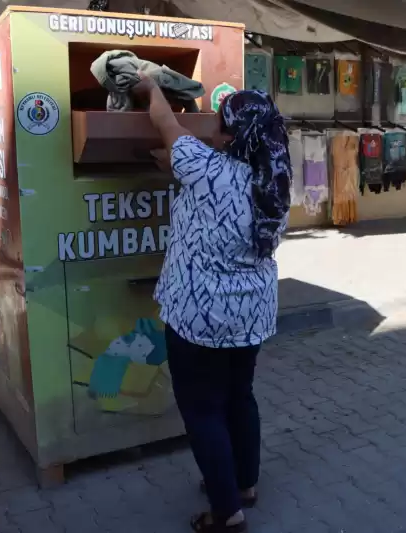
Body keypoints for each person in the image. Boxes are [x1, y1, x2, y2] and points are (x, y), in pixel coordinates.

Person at [132, 73, 291, 533]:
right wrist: (178, 168)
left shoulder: (206, 167)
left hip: (200, 316)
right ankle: (245, 485)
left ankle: (226, 514)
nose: (215, 132)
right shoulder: (275, 181)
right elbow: (214, 189)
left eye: (222, 126)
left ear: (235, 134)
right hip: (251, 314)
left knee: (203, 410)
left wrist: (150, 86)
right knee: (239, 396)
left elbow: (165, 122)